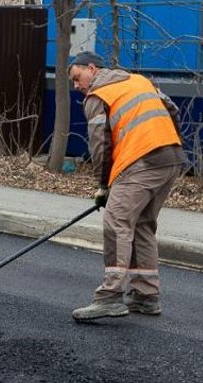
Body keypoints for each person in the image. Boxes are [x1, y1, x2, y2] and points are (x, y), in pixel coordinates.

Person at [67, 50, 184, 322]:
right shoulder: (138, 80)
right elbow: (172, 110)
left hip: (141, 160)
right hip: (170, 157)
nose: (76, 85)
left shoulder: (98, 95)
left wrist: (103, 186)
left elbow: (100, 145)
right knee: (142, 224)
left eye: (77, 77)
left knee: (116, 221)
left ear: (92, 69)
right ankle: (146, 295)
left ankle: (110, 296)